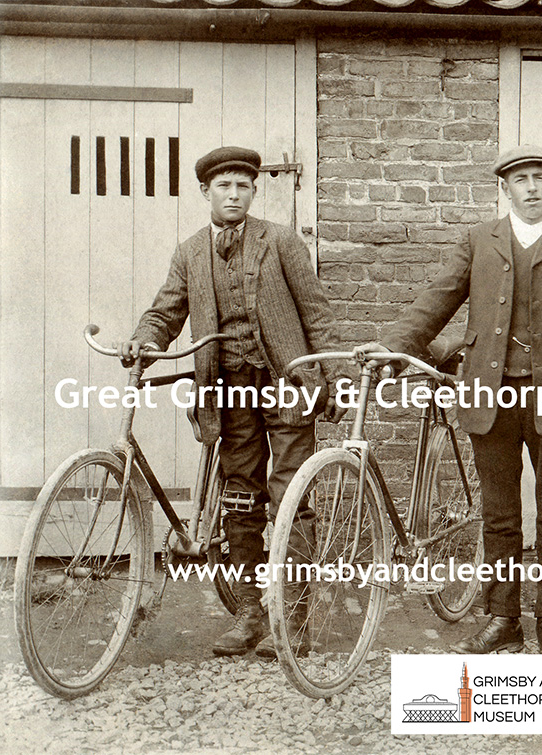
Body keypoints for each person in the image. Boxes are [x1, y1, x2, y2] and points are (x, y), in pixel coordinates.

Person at [354, 145, 542, 654]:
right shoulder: (478, 241)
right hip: (488, 396)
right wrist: (393, 344)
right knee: (498, 514)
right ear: (506, 188)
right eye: (521, 179)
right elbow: (437, 298)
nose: (533, 188)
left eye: (541, 178)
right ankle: (502, 617)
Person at [120, 146, 343, 658]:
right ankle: (249, 615)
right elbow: (165, 312)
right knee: (241, 499)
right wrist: (142, 340)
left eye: (243, 185)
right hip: (227, 390)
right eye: (224, 186)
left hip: (287, 382)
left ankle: (293, 617)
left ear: (253, 191)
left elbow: (317, 312)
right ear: (206, 192)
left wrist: (336, 376)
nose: (235, 194)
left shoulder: (282, 242)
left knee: (292, 498)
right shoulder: (190, 252)